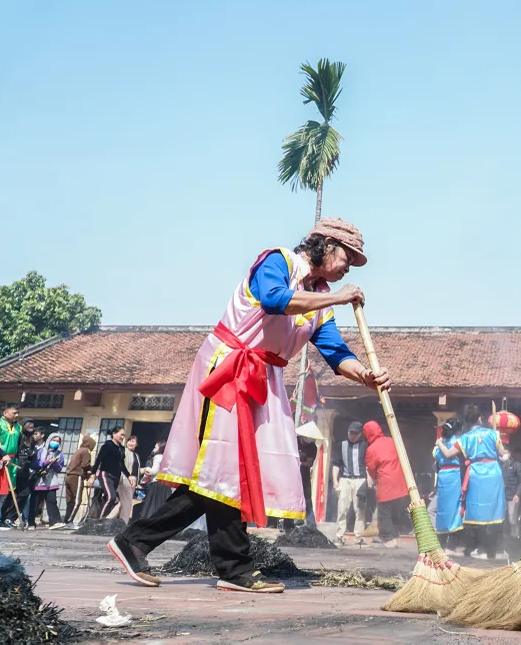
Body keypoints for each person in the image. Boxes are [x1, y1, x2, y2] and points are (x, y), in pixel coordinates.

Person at [108, 218, 389, 593]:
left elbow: (336, 352)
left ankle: (173, 552)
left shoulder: (320, 298)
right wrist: (338, 296)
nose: (347, 269)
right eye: (347, 259)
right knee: (221, 470)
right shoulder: (279, 261)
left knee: (226, 473)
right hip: (229, 368)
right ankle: (226, 566)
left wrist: (365, 376)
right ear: (326, 245)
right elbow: (275, 300)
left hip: (264, 377)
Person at [436, 404, 505, 559]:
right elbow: (503, 454)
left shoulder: (465, 438)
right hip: (493, 471)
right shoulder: (493, 434)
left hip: (475, 474)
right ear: (480, 419)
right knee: (495, 510)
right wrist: (506, 458)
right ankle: (497, 549)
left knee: (477, 512)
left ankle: (481, 550)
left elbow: (447, 454)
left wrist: (440, 443)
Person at [364, 420, 408, 548]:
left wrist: (374, 479)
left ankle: (390, 541)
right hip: (400, 484)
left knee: (384, 514)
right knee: (395, 513)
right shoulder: (391, 441)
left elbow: (371, 468)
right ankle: (397, 539)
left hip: (385, 484)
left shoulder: (371, 449)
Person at [332, 421, 369, 545]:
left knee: (360, 509)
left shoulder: (365, 446)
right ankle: (339, 536)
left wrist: (369, 481)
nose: (352, 435)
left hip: (360, 479)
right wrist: (335, 481)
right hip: (345, 479)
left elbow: (368, 465)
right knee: (342, 509)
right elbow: (336, 465)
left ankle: (358, 538)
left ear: (360, 434)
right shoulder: (341, 445)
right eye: (350, 433)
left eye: (355, 433)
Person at [433, 418, 464, 551]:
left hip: (442, 478)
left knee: (443, 511)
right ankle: (451, 546)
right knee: (456, 510)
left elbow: (436, 464)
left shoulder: (437, 445)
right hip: (455, 476)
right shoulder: (458, 442)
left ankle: (441, 544)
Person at [3, 420, 41, 526]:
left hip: (25, 470)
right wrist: (23, 452)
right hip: (14, 468)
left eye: (33, 426)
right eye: (29, 424)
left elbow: (33, 455)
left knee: (24, 494)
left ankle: (11, 517)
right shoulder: (17, 437)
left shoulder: (32, 440)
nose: (31, 427)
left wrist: (32, 454)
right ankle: (1, 516)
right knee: (9, 494)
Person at [90, 426, 129, 519]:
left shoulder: (122, 449)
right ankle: (100, 520)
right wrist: (92, 475)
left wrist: (129, 476)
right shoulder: (107, 445)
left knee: (108, 499)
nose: (123, 437)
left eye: (124, 435)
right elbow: (98, 460)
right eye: (121, 435)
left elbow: (121, 464)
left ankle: (101, 517)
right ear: (114, 434)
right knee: (111, 497)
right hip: (106, 475)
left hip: (116, 476)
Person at [29, 433, 64, 529]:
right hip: (39, 481)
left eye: (58, 441)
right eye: (54, 440)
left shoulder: (60, 454)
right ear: (49, 440)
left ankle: (55, 522)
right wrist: (47, 462)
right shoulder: (41, 451)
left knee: (52, 501)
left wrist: (54, 463)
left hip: (51, 481)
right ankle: (31, 523)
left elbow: (59, 469)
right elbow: (35, 464)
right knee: (35, 503)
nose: (55, 443)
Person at [63, 435, 96, 527]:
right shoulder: (86, 452)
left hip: (68, 476)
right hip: (76, 476)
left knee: (70, 500)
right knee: (77, 500)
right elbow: (85, 465)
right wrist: (92, 469)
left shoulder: (78, 451)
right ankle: (69, 521)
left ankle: (66, 519)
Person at [138, 441, 172, 521]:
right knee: (162, 508)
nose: (154, 449)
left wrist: (144, 469)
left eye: (156, 447)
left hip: (157, 484)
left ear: (160, 448)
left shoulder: (158, 457)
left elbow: (153, 471)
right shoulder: (168, 458)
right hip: (166, 486)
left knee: (152, 508)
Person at [112, 435, 141, 523]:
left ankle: (108, 519)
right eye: (129, 441)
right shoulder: (124, 451)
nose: (131, 443)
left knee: (123, 503)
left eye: (133, 441)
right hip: (125, 479)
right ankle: (123, 522)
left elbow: (136, 469)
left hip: (133, 481)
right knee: (127, 502)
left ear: (136, 444)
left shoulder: (136, 455)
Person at [500, 447, 521, 539]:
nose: (503, 455)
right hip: (502, 496)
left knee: (512, 518)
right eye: (501, 453)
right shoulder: (499, 465)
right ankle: (503, 537)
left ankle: (514, 537)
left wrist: (517, 494)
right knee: (501, 518)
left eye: (504, 452)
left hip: (512, 496)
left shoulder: (516, 465)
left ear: (509, 453)